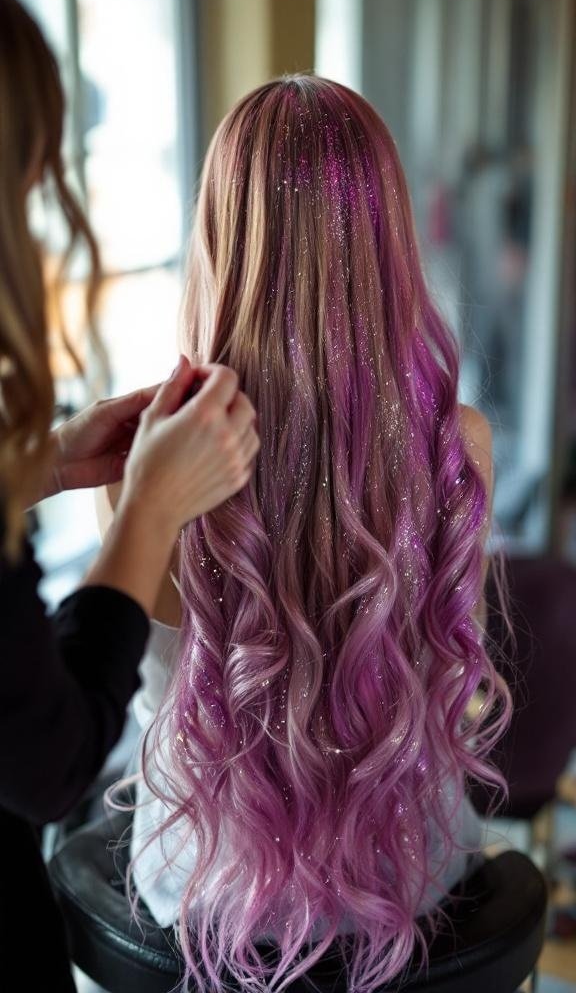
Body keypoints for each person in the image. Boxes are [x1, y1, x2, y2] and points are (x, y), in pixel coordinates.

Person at [99, 76, 511, 993]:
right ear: (387, 244)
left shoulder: (149, 466)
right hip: (408, 866)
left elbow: (126, 693)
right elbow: (454, 679)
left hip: (207, 878)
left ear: (219, 239)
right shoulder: (461, 447)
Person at [0, 0, 258, 990]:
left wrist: (48, 460)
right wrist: (147, 510)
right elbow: (48, 758)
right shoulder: (457, 445)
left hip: (187, 873)